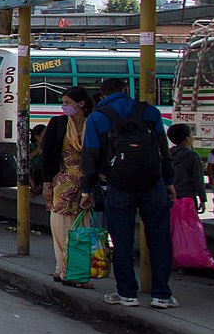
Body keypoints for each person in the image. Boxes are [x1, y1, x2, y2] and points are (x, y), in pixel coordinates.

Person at [80, 77, 177, 309]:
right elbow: (163, 150)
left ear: (102, 94)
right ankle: (162, 295)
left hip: (119, 186)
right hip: (153, 184)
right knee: (160, 240)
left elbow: (90, 155)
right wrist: (169, 180)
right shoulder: (150, 112)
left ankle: (127, 294)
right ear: (126, 90)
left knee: (121, 241)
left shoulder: (98, 117)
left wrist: (87, 189)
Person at [40, 87, 94, 286]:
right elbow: (47, 155)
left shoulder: (92, 124)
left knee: (82, 228)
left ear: (81, 105)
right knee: (62, 228)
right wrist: (46, 183)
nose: (64, 107)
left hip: (85, 184)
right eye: (63, 103)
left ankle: (74, 270)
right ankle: (64, 269)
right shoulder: (58, 123)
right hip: (63, 183)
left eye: (68, 103)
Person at [169, 124, 207, 215]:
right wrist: (203, 199)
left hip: (170, 196)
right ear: (187, 138)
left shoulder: (168, 154)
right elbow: (198, 179)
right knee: (188, 226)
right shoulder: (193, 156)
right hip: (188, 196)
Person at [28, 124, 47, 196]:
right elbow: (23, 165)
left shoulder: (47, 148)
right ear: (36, 137)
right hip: (32, 177)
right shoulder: (30, 147)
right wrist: (36, 151)